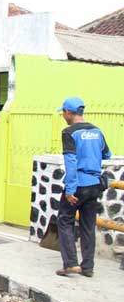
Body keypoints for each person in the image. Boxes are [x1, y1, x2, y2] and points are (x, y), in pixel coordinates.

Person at [56, 97, 111, 277]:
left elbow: (70, 161)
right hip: (95, 184)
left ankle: (70, 264)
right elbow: (107, 154)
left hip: (78, 184)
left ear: (69, 112)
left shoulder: (69, 132)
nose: (63, 116)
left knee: (64, 221)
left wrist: (70, 190)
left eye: (63, 112)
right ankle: (88, 267)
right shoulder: (97, 131)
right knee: (88, 225)